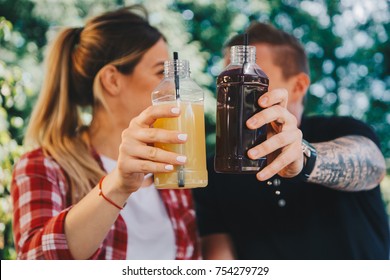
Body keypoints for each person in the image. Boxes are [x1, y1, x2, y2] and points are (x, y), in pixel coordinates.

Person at [11, 5, 200, 260]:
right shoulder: (43, 166)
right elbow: (34, 263)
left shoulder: (172, 168)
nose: (173, 90)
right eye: (160, 73)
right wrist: (118, 185)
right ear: (112, 80)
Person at [193, 22, 389, 259]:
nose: (235, 92)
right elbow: (221, 263)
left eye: (250, 81)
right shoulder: (216, 173)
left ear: (298, 86)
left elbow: (372, 165)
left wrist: (305, 158)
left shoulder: (342, 129)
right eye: (229, 80)